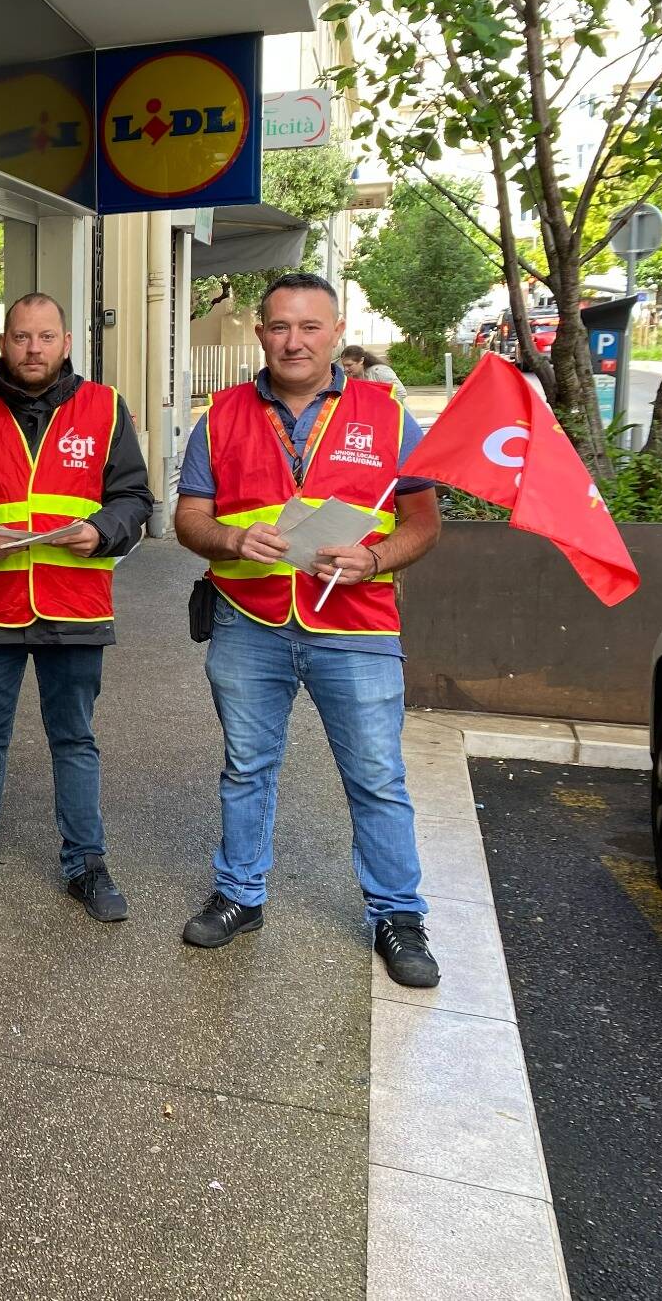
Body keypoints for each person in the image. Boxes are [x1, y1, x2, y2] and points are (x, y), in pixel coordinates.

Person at [173, 272, 442, 987]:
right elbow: (188, 519)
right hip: (249, 624)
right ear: (260, 332)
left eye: (309, 326)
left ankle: (397, 914)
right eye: (280, 326)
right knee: (246, 768)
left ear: (336, 330)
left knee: (378, 777)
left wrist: (376, 556)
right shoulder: (222, 414)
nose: (294, 340)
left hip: (355, 625)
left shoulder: (386, 414)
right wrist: (230, 540)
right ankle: (240, 895)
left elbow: (423, 522)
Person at [0, 293, 152, 920]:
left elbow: (134, 497)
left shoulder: (105, 408)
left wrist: (102, 530)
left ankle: (87, 865)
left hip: (74, 606)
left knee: (74, 738)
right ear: (2, 343)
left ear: (66, 342)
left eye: (46, 338)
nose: (33, 350)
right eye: (21, 337)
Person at [340, 343, 406, 397]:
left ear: (361, 360)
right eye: (344, 365)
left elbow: (401, 393)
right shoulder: (347, 377)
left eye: (349, 365)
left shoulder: (379, 372)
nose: (346, 369)